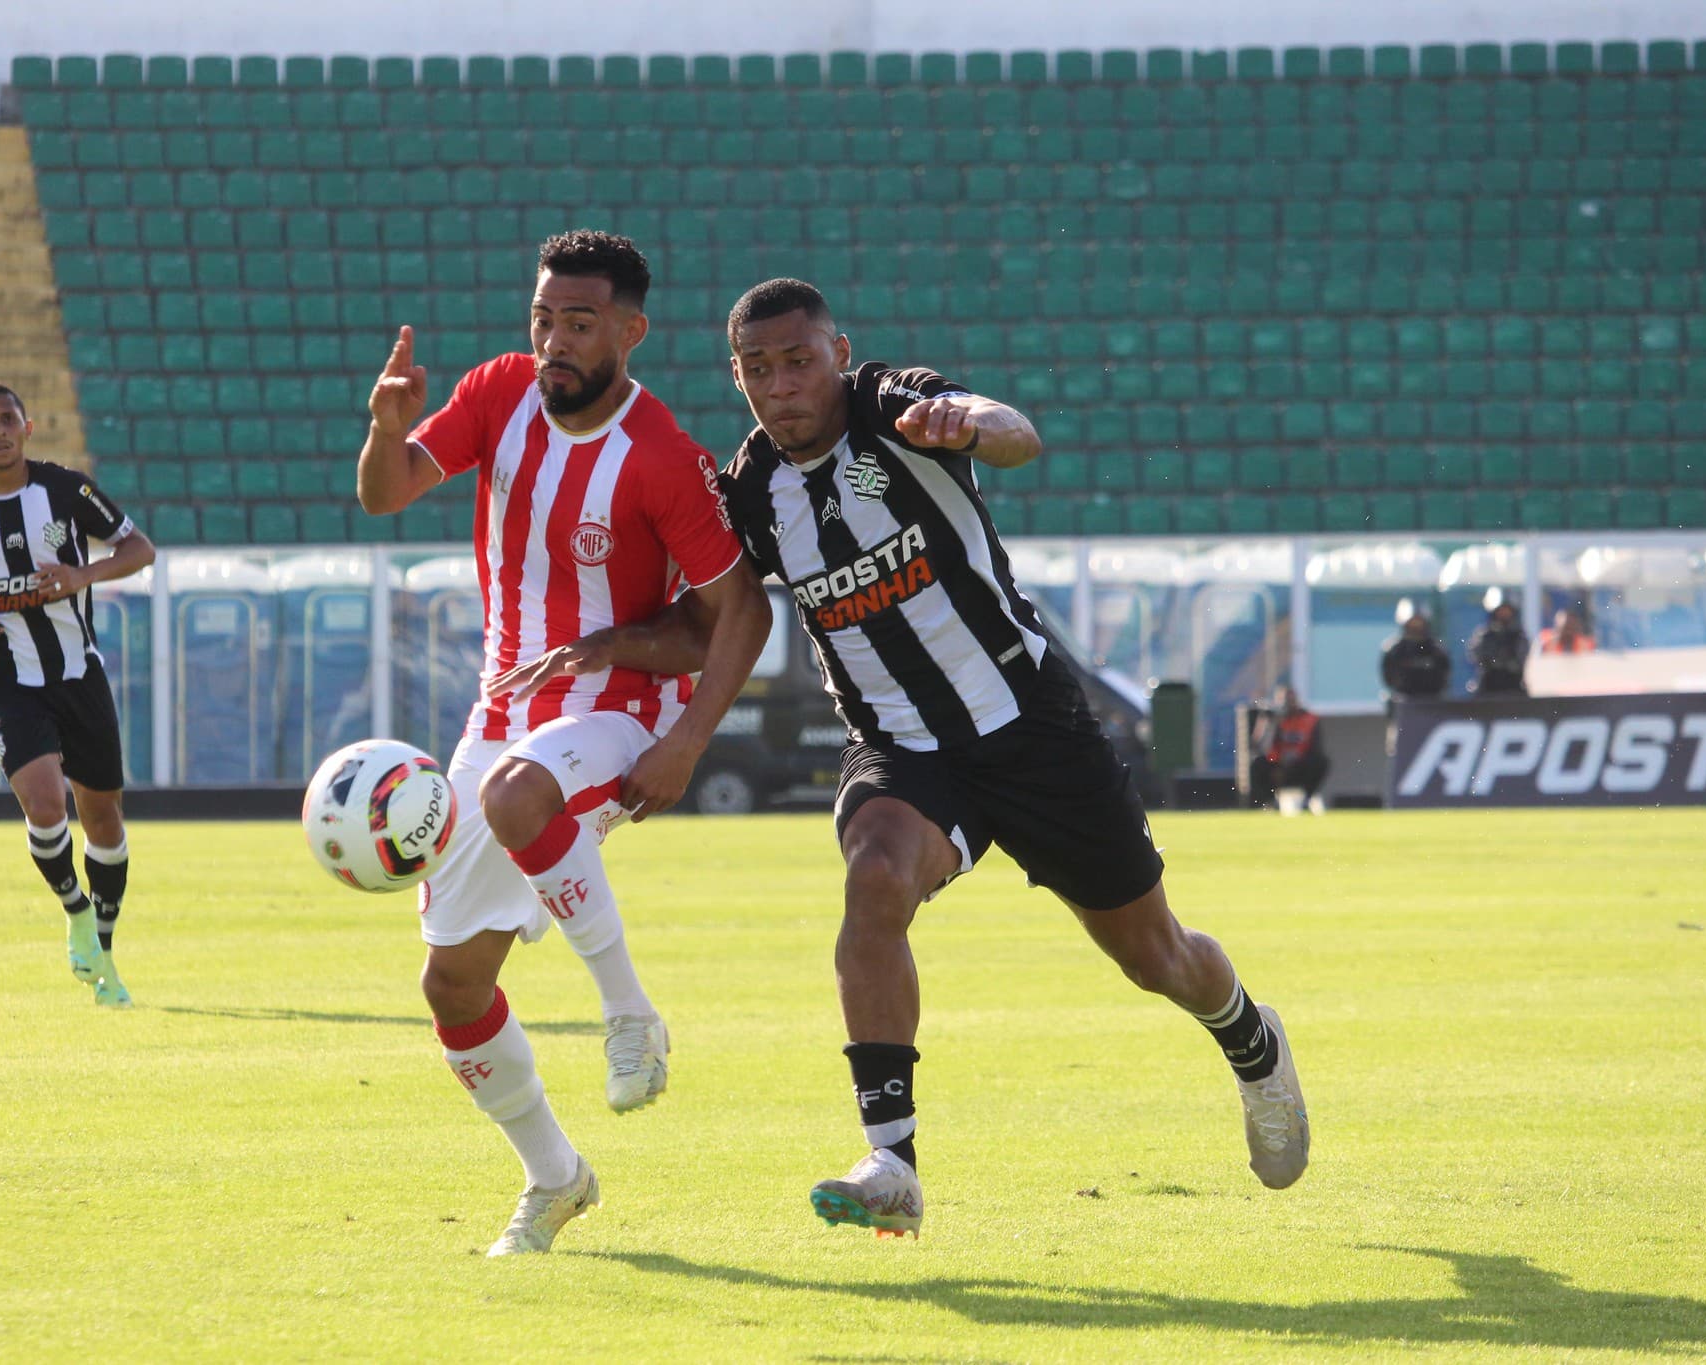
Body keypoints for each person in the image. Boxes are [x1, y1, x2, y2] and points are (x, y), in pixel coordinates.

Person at [491, 279, 1308, 1238]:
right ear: (738, 379)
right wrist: (613, 644)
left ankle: (1254, 1045)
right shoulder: (751, 487)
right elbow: (711, 623)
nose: (782, 385)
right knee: (874, 877)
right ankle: (892, 1160)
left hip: (1030, 727)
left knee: (1156, 957)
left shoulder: (894, 408)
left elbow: (1014, 434)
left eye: (799, 361)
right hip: (900, 746)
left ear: (838, 353)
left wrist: (971, 420)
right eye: (759, 370)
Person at [354, 230, 771, 1256]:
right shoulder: (498, 393)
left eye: (579, 322)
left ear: (629, 331)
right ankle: (555, 1180)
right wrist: (385, 432)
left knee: (515, 796)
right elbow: (387, 491)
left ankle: (628, 1013)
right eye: (544, 318)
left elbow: (741, 613)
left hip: (618, 710)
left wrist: (687, 743)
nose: (554, 339)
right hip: (498, 714)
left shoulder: (663, 456)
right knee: (450, 987)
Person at [0, 381, 155, 1007]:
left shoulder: (66, 490)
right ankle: (76, 912)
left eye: (8, 419)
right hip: (6, 676)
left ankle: (104, 951)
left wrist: (83, 574)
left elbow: (139, 548)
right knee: (47, 806)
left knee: (103, 818)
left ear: (26, 428)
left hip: (79, 673)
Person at [1247, 686, 1330, 813]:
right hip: (1276, 766)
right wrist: (1270, 723)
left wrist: (1291, 763)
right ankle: (1270, 802)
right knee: (1257, 764)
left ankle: (1307, 800)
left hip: (1299, 766)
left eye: (1291, 700)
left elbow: (1316, 749)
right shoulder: (1271, 719)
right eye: (1284, 701)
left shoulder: (1309, 719)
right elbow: (1259, 747)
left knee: (1320, 762)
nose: (1288, 704)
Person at [1380, 604, 1451, 703]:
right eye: (1412, 626)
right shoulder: (1395, 651)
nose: (1416, 630)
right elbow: (1389, 677)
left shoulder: (1436, 650)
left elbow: (1444, 675)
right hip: (1403, 702)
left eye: (1419, 625)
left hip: (1432, 702)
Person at [1468, 590, 1530, 695]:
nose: (1504, 614)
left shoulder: (1519, 636)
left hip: (1514, 689)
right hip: (1487, 689)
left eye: (1507, 611)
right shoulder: (1484, 635)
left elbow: (1522, 659)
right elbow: (1475, 657)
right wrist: (1492, 661)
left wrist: (1508, 663)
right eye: (1501, 610)